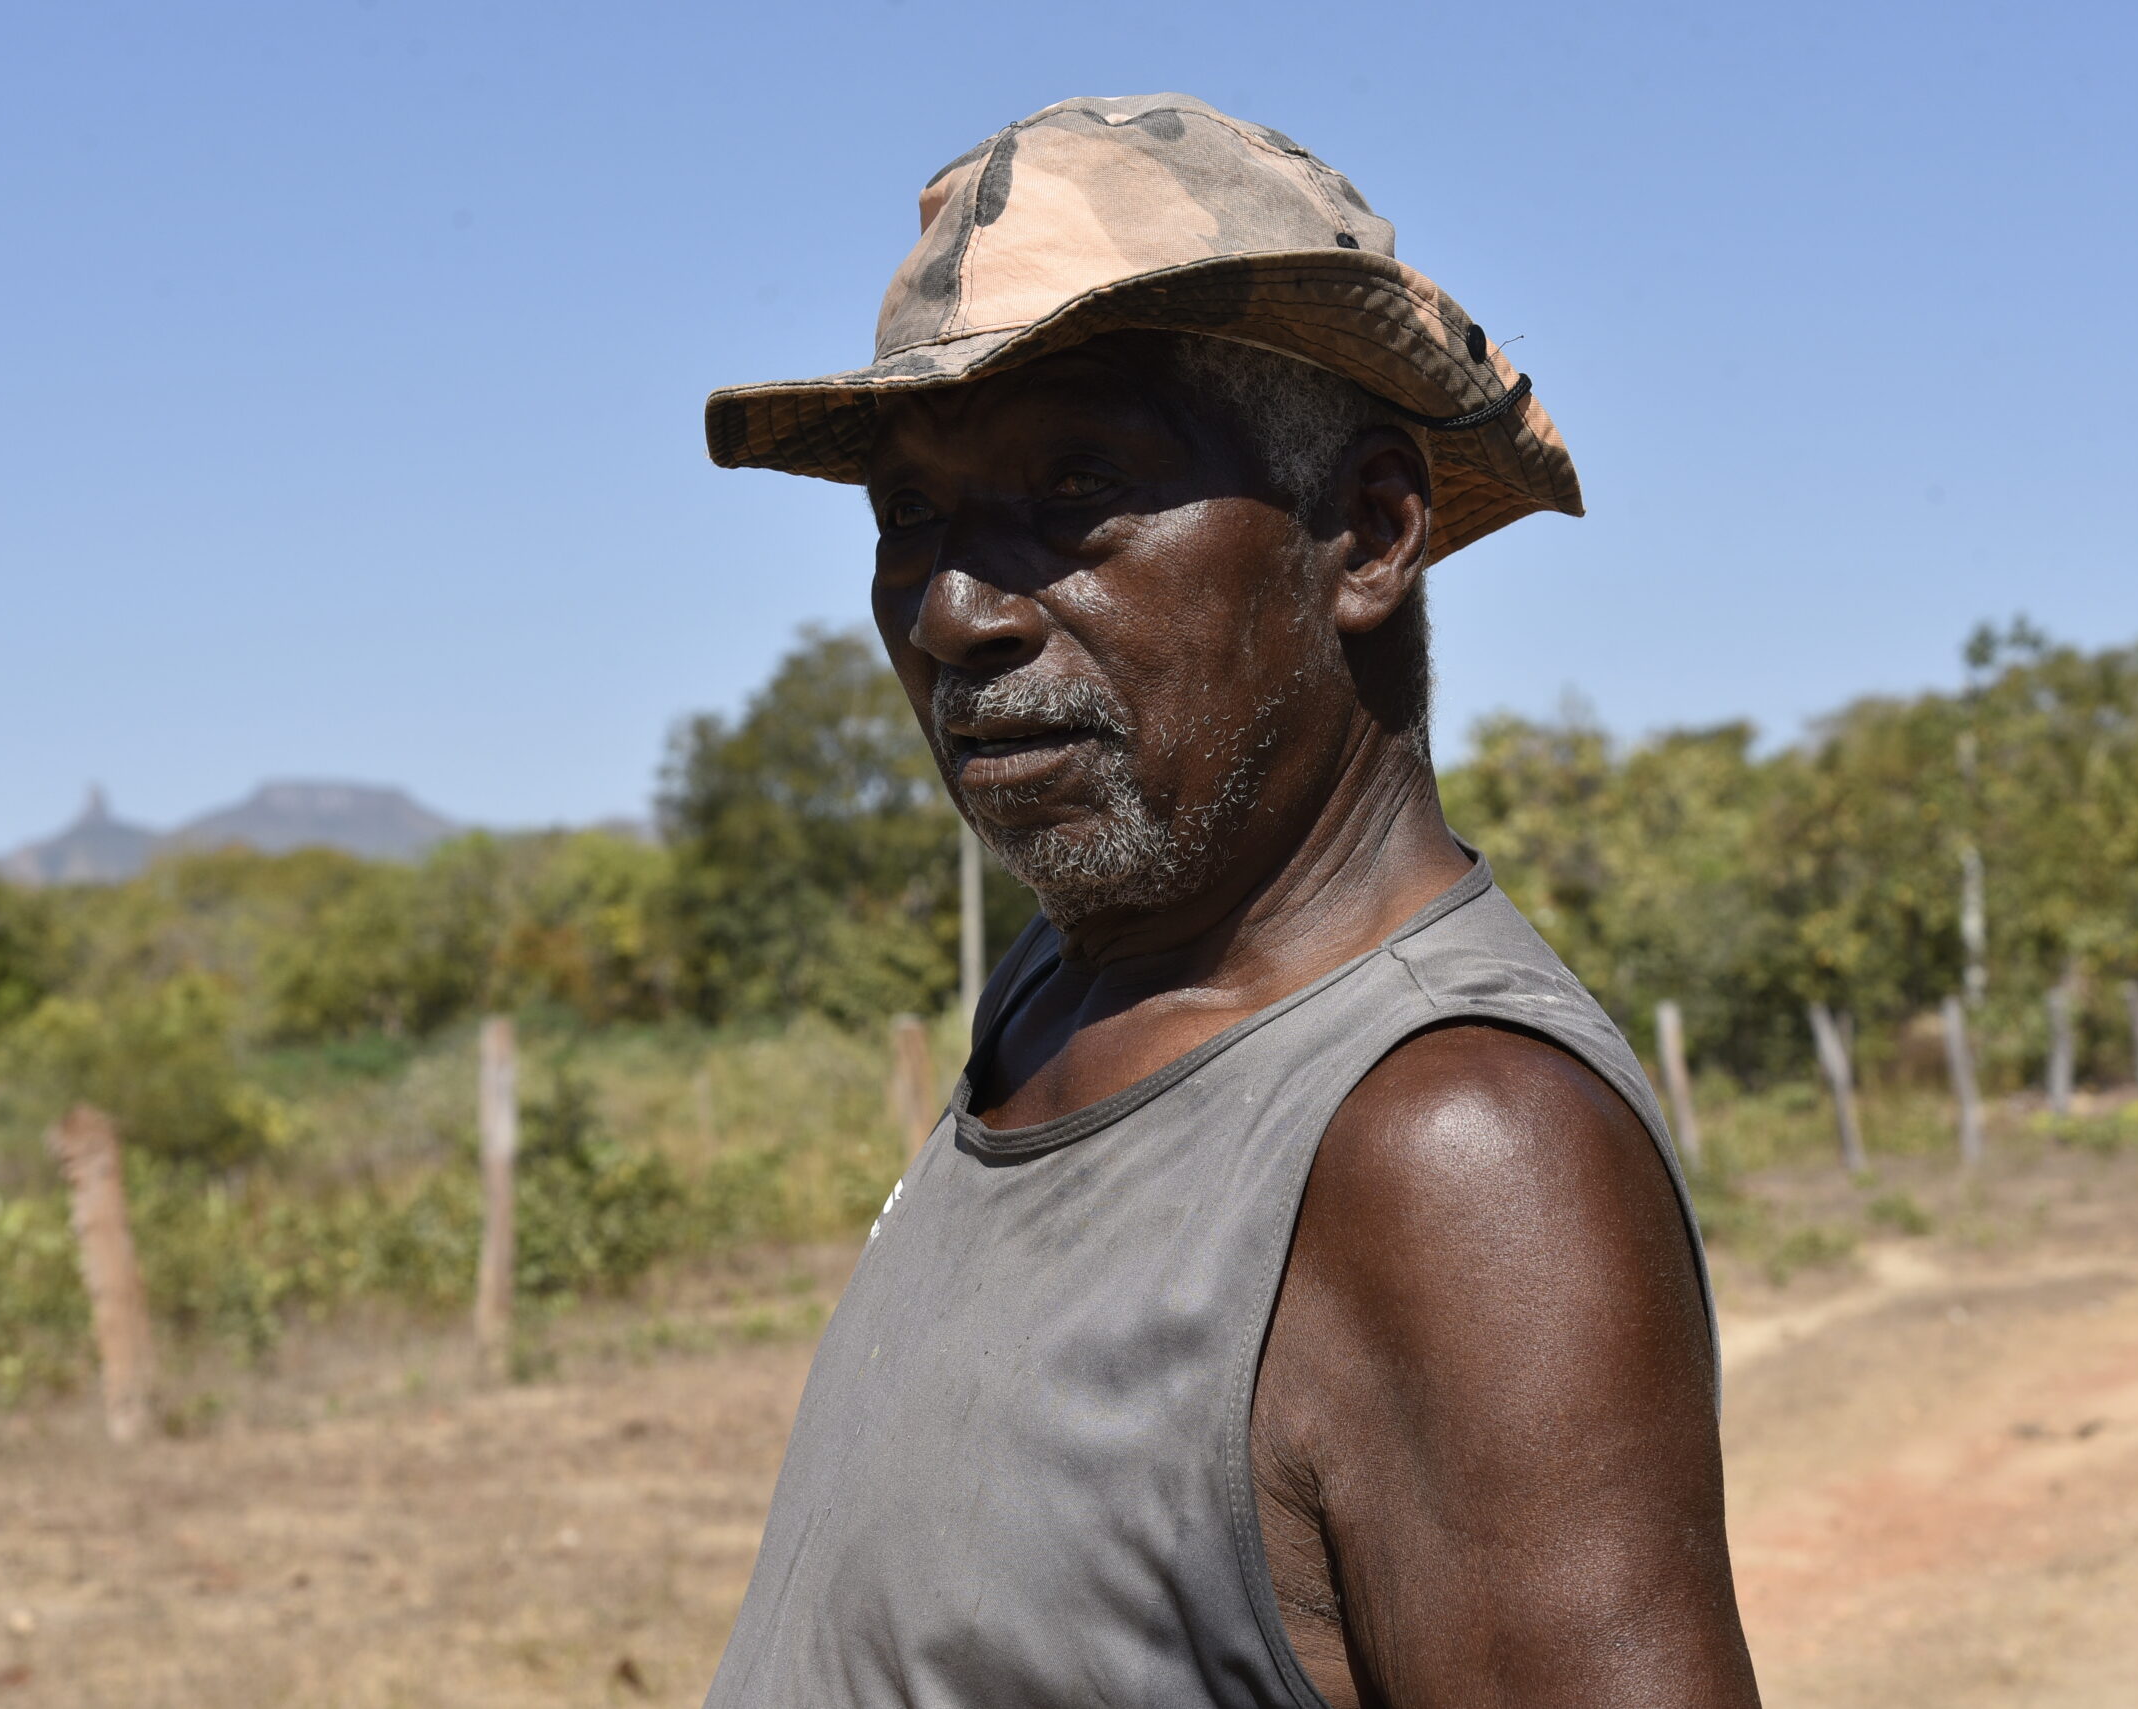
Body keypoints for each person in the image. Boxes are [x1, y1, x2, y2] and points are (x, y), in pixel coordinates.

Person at [700, 93, 1759, 1709]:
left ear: (1368, 532)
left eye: (1077, 487)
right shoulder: (1064, 1002)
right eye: (909, 512)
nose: (959, 611)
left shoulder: (1457, 1151)